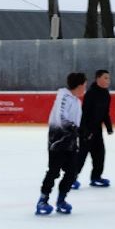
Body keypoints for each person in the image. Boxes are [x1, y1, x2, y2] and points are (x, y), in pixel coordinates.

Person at [36, 72, 86, 215]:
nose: (85, 88)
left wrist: (81, 131)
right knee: (54, 171)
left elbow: (76, 122)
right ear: (80, 85)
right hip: (57, 141)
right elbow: (60, 118)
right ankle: (43, 200)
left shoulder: (77, 101)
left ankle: (61, 200)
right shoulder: (63, 97)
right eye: (85, 85)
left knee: (72, 172)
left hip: (70, 142)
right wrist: (75, 128)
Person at [80, 69, 115, 187]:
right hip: (86, 129)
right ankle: (71, 178)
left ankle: (96, 177)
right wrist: (85, 131)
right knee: (81, 155)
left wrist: (109, 126)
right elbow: (84, 113)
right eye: (105, 78)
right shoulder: (90, 93)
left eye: (108, 78)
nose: (108, 80)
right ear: (98, 79)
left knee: (99, 154)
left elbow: (105, 112)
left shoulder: (106, 94)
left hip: (97, 130)